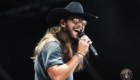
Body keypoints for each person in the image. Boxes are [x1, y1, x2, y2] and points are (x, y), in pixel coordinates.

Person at [31, 1, 98, 80]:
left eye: (83, 23)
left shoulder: (66, 47)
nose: (80, 25)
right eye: (75, 21)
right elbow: (57, 77)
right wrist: (79, 54)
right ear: (63, 23)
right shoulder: (52, 44)